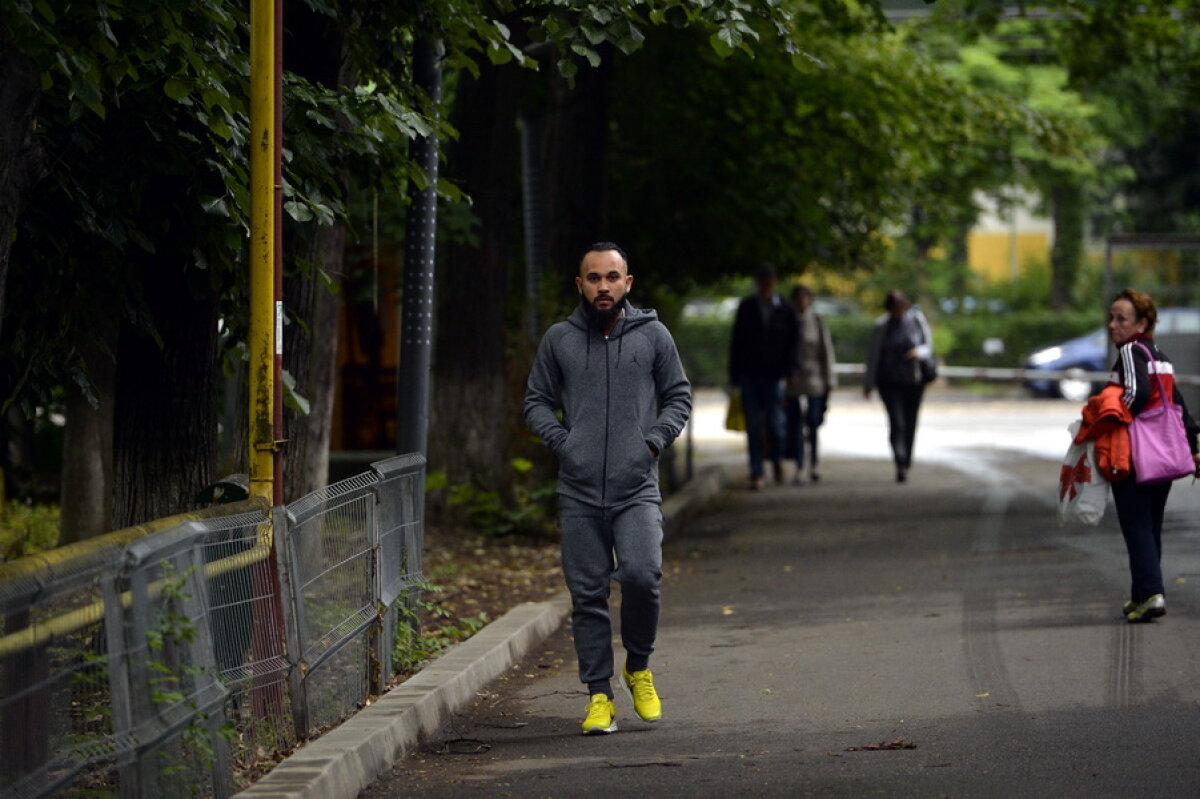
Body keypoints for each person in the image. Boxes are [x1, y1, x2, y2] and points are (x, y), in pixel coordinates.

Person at [524, 242, 692, 734]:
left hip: (636, 486)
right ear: (580, 285)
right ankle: (599, 694)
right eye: (594, 278)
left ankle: (638, 666)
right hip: (577, 492)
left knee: (642, 576)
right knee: (588, 594)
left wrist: (653, 444)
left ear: (627, 283)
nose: (603, 286)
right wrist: (564, 443)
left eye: (612, 277)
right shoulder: (560, 339)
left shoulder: (654, 336)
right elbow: (536, 401)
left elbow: (678, 396)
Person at [1104, 289, 1200, 622]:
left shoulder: (1131, 350)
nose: (1113, 325)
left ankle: (1152, 594)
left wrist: (1109, 420)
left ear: (1142, 322)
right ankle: (1141, 594)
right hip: (1164, 455)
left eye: (1122, 319)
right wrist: (1192, 445)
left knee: (1136, 526)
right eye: (1112, 318)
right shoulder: (1159, 353)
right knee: (1149, 526)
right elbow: (1178, 405)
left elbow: (1137, 392)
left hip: (1134, 454)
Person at [729, 266, 798, 489]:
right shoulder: (747, 307)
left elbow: (793, 343)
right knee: (754, 426)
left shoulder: (785, 308)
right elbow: (737, 342)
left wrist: (792, 370)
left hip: (775, 375)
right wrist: (735, 374)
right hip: (750, 374)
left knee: (776, 425)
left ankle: (776, 459)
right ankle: (757, 470)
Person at [863, 289, 934, 483]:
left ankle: (907, 459)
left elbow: (928, 346)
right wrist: (868, 384)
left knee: (910, 422)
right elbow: (873, 356)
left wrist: (917, 352)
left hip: (913, 380)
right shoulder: (881, 326)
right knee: (897, 422)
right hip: (889, 381)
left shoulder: (916, 321)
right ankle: (900, 461)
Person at [785, 284, 837, 484]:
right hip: (793, 381)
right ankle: (799, 465)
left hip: (815, 379)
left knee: (814, 422)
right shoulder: (787, 320)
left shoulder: (816, 320)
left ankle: (813, 463)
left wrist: (829, 379)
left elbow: (826, 351)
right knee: (795, 425)